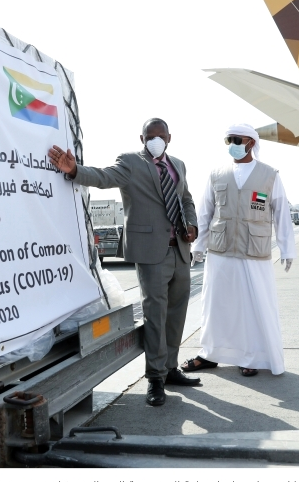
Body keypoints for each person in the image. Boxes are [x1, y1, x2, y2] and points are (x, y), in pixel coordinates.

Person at [48, 118, 199, 406]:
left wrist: (191, 225)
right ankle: (155, 378)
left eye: (161, 136)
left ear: (170, 137)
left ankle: (170, 368)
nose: (155, 140)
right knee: (155, 315)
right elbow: (104, 177)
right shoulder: (131, 162)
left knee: (177, 313)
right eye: (150, 136)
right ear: (142, 139)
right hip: (151, 254)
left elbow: (186, 200)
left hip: (180, 249)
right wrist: (75, 171)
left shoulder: (178, 165)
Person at [181, 124, 295, 377]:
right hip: (220, 250)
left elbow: (282, 214)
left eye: (235, 140)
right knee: (216, 305)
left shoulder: (269, 175)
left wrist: (287, 249)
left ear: (251, 142)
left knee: (252, 306)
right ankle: (210, 353)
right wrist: (198, 246)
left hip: (254, 251)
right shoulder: (217, 174)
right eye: (228, 140)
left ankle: (250, 356)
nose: (231, 145)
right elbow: (205, 212)